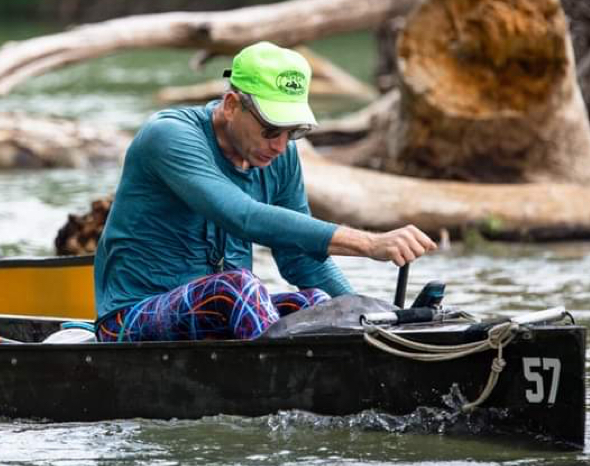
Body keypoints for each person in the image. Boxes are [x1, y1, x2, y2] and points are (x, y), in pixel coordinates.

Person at [93, 41, 436, 343]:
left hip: (222, 316)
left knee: (318, 303)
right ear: (231, 105)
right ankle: (279, 384)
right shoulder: (169, 137)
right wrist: (370, 244)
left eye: (292, 132)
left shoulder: (280, 156)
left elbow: (301, 260)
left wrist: (368, 317)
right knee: (237, 287)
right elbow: (243, 216)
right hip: (129, 321)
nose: (280, 145)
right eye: (271, 129)